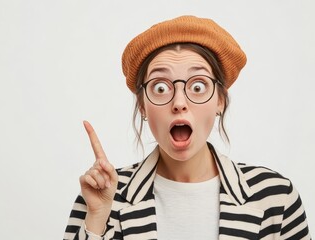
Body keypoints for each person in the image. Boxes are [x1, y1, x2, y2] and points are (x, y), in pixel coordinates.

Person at [63, 15, 311, 240]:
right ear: (142, 105)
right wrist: (96, 218)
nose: (179, 103)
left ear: (220, 101)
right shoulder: (101, 197)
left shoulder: (276, 197)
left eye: (198, 86)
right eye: (160, 87)